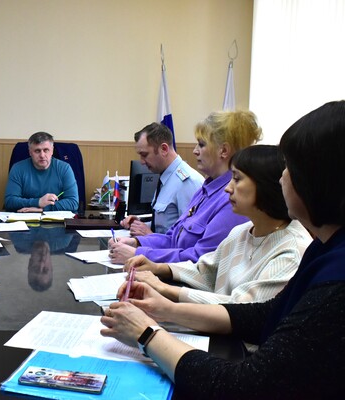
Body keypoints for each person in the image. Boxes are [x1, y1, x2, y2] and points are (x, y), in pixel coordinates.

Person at [100, 100, 345, 398]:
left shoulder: (332, 278)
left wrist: (147, 334)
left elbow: (244, 385)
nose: (283, 176)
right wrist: (165, 308)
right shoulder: (324, 248)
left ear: (319, 180)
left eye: (291, 168)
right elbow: (263, 314)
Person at [125, 145, 312, 304]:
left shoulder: (291, 251)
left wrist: (164, 289)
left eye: (237, 179)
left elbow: (243, 308)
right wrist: (158, 268)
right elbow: (206, 270)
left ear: (266, 185)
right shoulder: (242, 232)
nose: (227, 188)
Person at [109, 110, 262, 265]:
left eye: (201, 145)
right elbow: (173, 238)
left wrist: (139, 254)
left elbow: (201, 259)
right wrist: (137, 243)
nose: (195, 151)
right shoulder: (205, 190)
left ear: (223, 151)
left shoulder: (231, 198)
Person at [121, 123, 204, 235]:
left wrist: (150, 236)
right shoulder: (166, 177)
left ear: (164, 149)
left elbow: (189, 237)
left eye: (144, 155)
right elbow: (166, 228)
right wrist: (141, 225)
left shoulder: (187, 182)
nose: (142, 162)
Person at [4, 131, 79, 213]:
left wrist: (43, 209)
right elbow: (10, 202)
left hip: (56, 218)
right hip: (25, 217)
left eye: (46, 150)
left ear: (52, 151)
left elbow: (73, 202)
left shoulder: (65, 168)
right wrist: (38, 202)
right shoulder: (18, 168)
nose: (42, 155)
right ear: (30, 152)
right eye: (37, 151)